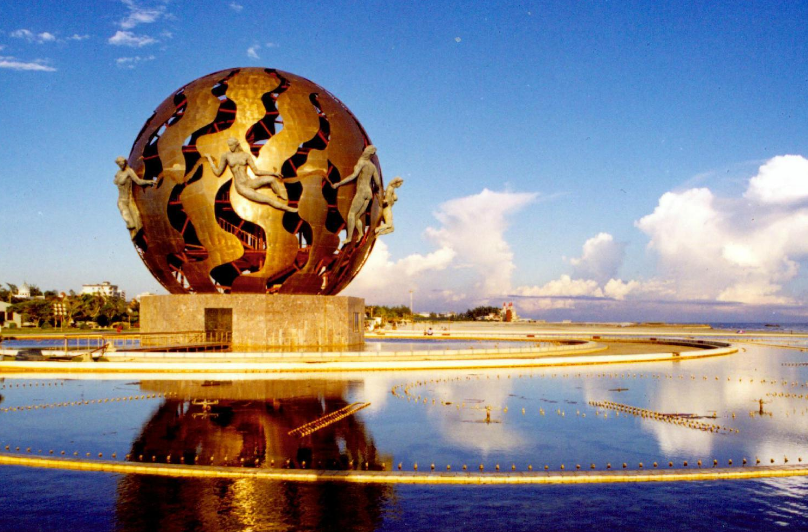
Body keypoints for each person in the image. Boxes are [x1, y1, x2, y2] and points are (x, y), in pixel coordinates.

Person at [206, 137, 297, 212]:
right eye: (229, 145)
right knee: (267, 200)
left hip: (250, 181)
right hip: (241, 187)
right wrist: (210, 160)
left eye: (231, 145)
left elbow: (257, 172)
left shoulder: (246, 155)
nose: (230, 147)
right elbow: (218, 173)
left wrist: (273, 173)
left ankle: (278, 194)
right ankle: (288, 209)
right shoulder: (226, 156)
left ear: (237, 144)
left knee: (271, 179)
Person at [331, 145, 381, 245]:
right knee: (357, 216)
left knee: (351, 214)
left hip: (361, 191)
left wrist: (339, 184)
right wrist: (374, 189)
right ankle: (361, 233)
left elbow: (353, 176)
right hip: (368, 193)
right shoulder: (372, 166)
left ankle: (349, 238)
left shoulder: (362, 162)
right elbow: (378, 183)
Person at [114, 156, 155, 230]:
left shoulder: (129, 171)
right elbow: (115, 181)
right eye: (119, 164)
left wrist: (149, 182)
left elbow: (138, 181)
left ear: (125, 163)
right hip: (121, 200)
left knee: (135, 222)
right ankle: (133, 230)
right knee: (129, 222)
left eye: (122, 163)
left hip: (129, 200)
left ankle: (136, 232)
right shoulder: (118, 173)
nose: (121, 165)